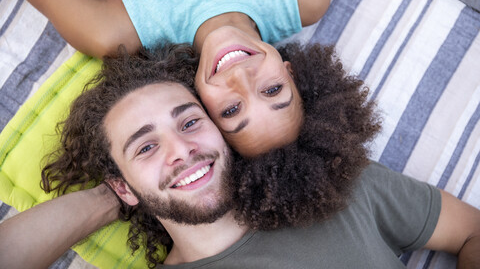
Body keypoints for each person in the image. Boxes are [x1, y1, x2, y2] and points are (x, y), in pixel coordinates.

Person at [1, 43, 479, 268]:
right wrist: (111, 199)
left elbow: (471, 232)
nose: (182, 150)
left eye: (190, 122)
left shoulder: (338, 187)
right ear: (123, 182)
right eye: (145, 146)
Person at [0, 0, 340, 156]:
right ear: (291, 72)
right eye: (272, 90)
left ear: (202, 110)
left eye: (232, 109)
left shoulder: (118, 31)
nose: (241, 78)